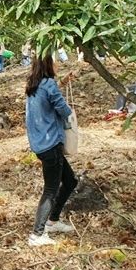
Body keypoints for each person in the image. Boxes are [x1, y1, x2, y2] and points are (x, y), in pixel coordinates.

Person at [25, 55, 78, 246]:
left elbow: (50, 94)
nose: (57, 64)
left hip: (41, 143)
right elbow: (64, 110)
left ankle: (52, 221)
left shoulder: (34, 84)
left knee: (71, 181)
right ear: (48, 64)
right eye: (54, 61)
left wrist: (63, 82)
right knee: (50, 190)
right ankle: (37, 234)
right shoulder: (47, 84)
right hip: (51, 144)